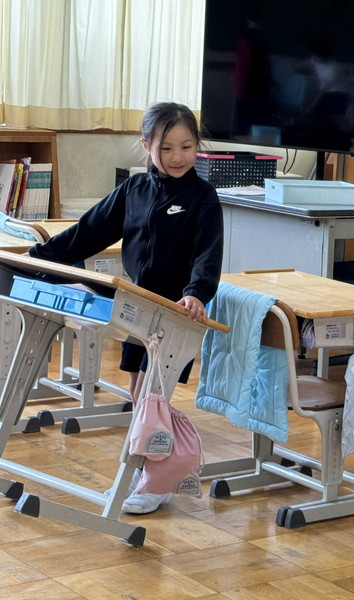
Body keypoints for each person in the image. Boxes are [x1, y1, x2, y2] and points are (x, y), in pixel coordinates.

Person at [28, 102, 223, 515]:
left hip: (175, 311)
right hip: (138, 306)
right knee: (139, 393)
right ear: (145, 145)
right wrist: (38, 258)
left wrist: (197, 292)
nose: (177, 157)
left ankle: (154, 482)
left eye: (187, 147)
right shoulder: (134, 189)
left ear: (197, 146)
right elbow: (89, 231)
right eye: (166, 148)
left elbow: (208, 253)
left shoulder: (202, 197)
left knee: (154, 397)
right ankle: (150, 472)